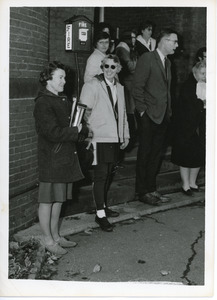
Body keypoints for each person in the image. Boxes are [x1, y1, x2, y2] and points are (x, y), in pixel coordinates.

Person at [34, 61, 87, 255]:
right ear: (48, 80)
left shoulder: (61, 99)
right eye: (60, 78)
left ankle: (56, 236)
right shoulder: (43, 102)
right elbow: (52, 133)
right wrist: (76, 130)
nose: (65, 81)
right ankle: (47, 240)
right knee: (47, 201)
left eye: (64, 77)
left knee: (59, 200)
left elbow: (70, 127)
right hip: (52, 159)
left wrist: (81, 130)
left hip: (64, 157)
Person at [80, 54, 130, 232]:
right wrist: (88, 132)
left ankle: (102, 206)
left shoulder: (120, 88)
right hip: (99, 136)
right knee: (101, 175)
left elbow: (122, 114)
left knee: (108, 173)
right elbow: (83, 111)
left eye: (113, 67)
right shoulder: (92, 84)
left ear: (118, 69)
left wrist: (125, 135)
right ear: (102, 68)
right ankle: (100, 214)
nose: (109, 70)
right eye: (106, 66)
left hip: (114, 137)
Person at [132, 28, 179, 205]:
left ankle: (151, 189)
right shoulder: (147, 58)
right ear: (163, 41)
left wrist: (169, 112)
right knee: (145, 154)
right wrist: (143, 111)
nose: (177, 45)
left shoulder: (168, 63)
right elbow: (137, 87)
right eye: (174, 41)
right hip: (149, 115)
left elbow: (166, 91)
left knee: (155, 155)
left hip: (163, 116)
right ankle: (142, 191)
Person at [171, 60, 206, 195]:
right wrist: (202, 103)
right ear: (195, 72)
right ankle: (185, 184)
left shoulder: (207, 85)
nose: (204, 76)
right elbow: (188, 105)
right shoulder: (188, 85)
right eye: (202, 73)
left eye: (206, 74)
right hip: (186, 128)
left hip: (199, 126)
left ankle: (193, 182)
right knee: (185, 157)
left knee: (198, 156)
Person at [116, 30, 138, 149]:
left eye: (135, 37)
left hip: (130, 83)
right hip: (127, 83)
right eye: (132, 37)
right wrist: (139, 64)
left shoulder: (128, 49)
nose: (134, 40)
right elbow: (129, 66)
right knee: (129, 110)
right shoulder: (122, 49)